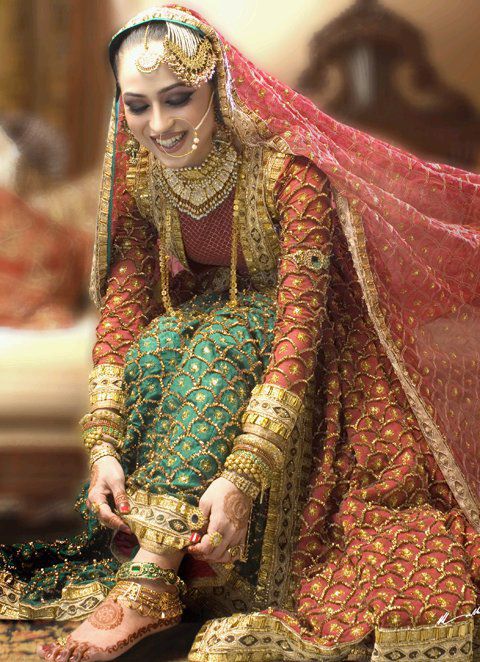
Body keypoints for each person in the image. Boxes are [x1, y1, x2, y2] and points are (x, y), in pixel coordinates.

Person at [0, 5, 479, 661]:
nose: (159, 125)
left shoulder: (290, 175)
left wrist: (241, 478)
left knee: (224, 340)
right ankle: (159, 559)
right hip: (214, 324)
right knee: (159, 345)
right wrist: (103, 445)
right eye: (137, 106)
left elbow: (299, 326)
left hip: (310, 345)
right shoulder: (141, 178)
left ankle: (151, 580)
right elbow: (125, 303)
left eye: (177, 99)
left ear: (217, 88)